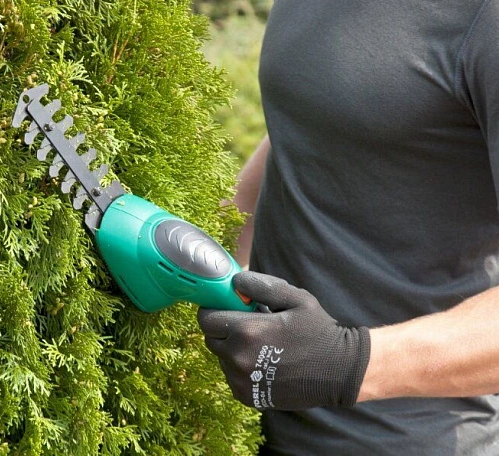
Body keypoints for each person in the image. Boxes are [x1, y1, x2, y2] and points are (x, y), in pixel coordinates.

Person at [197, 1, 499, 454]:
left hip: (400, 441)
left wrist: (346, 361)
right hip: (249, 427)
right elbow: (330, 120)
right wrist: (209, 240)